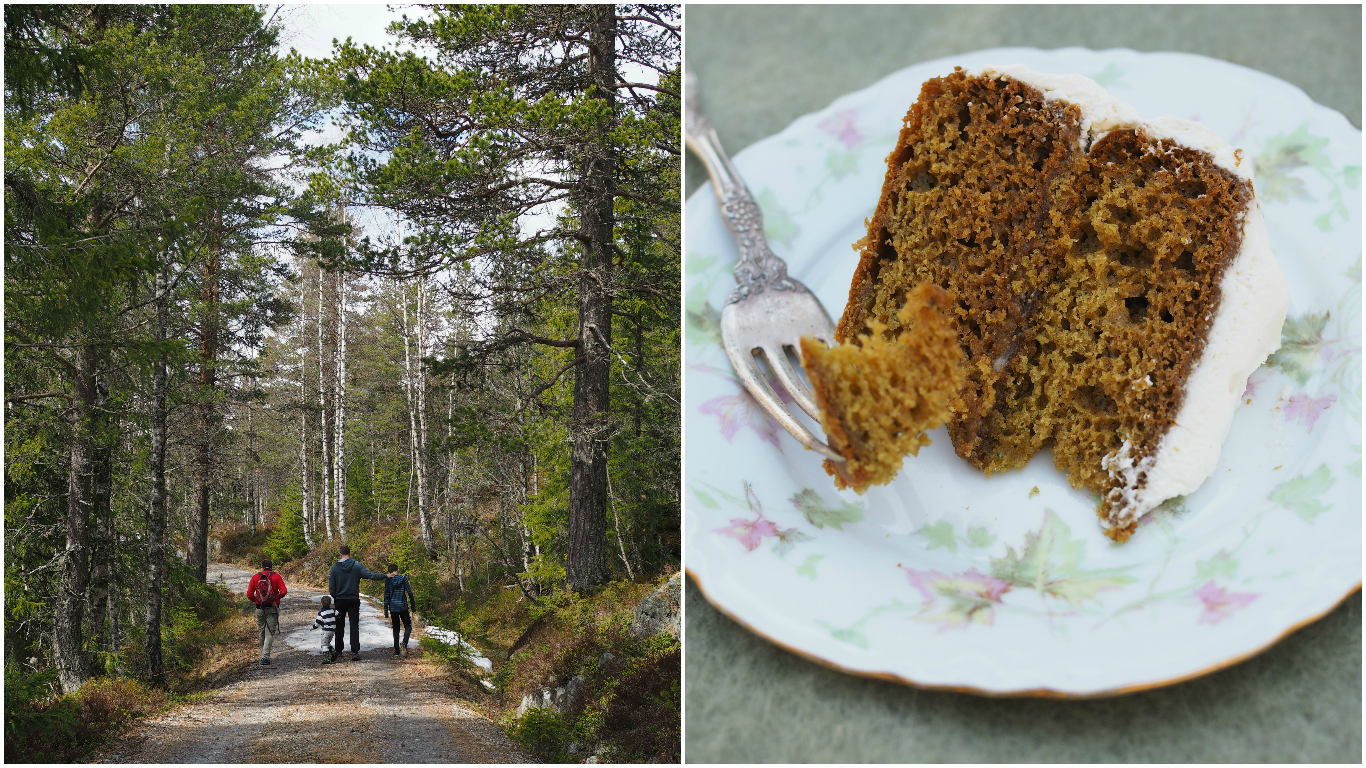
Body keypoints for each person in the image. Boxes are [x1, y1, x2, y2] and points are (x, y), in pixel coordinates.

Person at [327, 544, 385, 661]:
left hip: (340, 600)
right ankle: (354, 652)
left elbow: (331, 587)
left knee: (339, 626)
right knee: (354, 625)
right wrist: (385, 576)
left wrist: (335, 596)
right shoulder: (357, 565)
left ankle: (338, 650)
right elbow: (370, 575)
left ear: (340, 554)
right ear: (350, 553)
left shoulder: (335, 567)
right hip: (353, 599)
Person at [246, 558, 287, 667]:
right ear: (271, 566)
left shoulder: (255, 577)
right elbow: (284, 591)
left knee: (261, 631)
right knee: (269, 632)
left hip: (259, 607)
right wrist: (276, 598)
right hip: (272, 608)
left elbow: (249, 594)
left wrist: (256, 600)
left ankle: (262, 655)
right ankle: (265, 657)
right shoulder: (276, 576)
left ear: (262, 566)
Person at [383, 563, 417, 657]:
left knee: (396, 628)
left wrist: (386, 611)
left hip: (393, 607)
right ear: (397, 570)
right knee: (408, 626)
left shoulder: (388, 580)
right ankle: (404, 644)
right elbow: (409, 592)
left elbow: (386, 596)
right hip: (403, 606)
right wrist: (413, 607)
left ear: (389, 572)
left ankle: (396, 651)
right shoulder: (403, 578)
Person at [310, 595, 339, 663]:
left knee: (324, 644)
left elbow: (318, 622)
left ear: (321, 604)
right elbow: (339, 614)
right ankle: (333, 652)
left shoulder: (321, 613)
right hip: (333, 630)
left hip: (326, 630)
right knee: (327, 642)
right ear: (330, 603)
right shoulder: (333, 610)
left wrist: (313, 627)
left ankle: (326, 658)